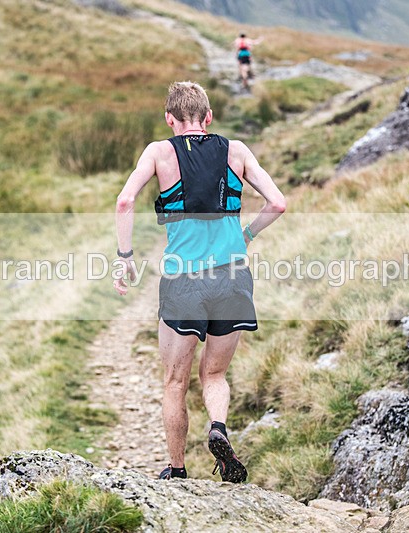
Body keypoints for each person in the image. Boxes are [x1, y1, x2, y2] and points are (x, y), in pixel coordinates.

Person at [113, 81, 286, 482]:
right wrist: (247, 236)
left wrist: (125, 258)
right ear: (208, 118)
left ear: (169, 119)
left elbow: (125, 200)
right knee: (215, 375)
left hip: (183, 281)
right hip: (233, 278)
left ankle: (177, 470)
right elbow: (277, 202)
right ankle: (219, 429)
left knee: (175, 381)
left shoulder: (159, 152)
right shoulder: (237, 150)